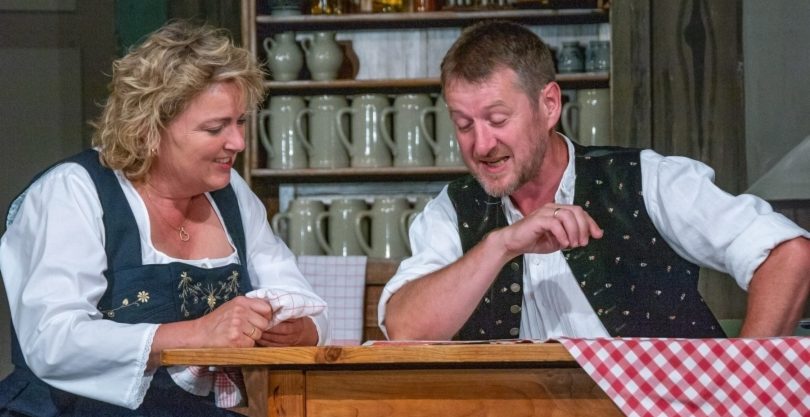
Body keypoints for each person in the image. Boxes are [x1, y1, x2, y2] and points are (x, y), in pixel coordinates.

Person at [379, 20, 810, 342]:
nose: (481, 144)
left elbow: (789, 255)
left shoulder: (647, 179)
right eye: (463, 124)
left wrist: (741, 385)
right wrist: (501, 245)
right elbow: (405, 328)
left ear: (549, 105)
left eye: (497, 119)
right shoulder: (452, 210)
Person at [0, 20, 328, 416]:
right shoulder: (74, 191)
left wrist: (298, 330)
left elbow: (301, 300)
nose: (238, 142)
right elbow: (52, 341)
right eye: (215, 128)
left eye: (240, 121)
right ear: (150, 130)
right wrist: (196, 334)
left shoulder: (231, 195)